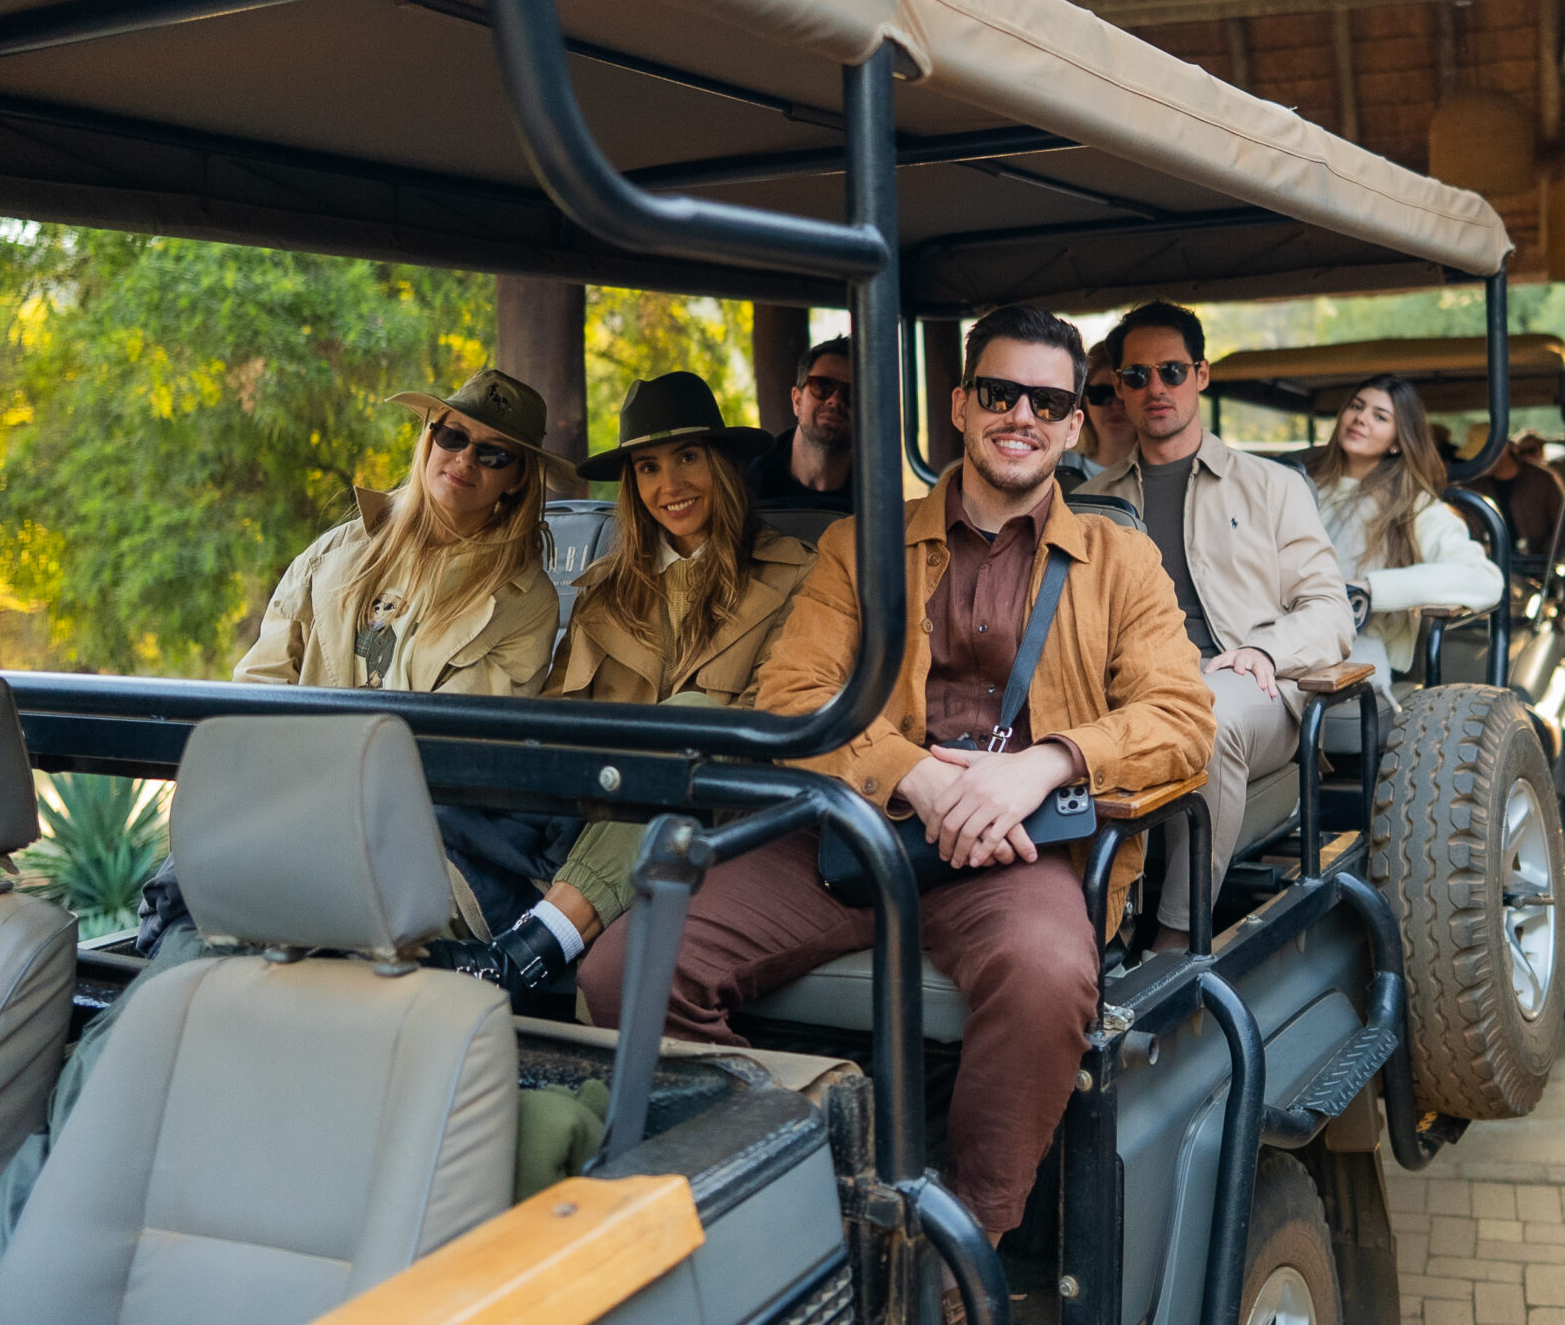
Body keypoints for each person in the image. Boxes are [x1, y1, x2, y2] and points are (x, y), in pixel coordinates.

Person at [662, 305, 1214, 1248]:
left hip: (1018, 850)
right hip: (854, 834)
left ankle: (961, 1251)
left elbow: (1182, 718)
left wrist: (1042, 766)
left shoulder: (1121, 560)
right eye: (1000, 393)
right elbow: (794, 693)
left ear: (1074, 425)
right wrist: (917, 778)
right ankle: (797, 1191)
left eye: (1049, 402)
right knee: (633, 967)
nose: (1022, 416)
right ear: (959, 407)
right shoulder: (862, 545)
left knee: (1048, 976)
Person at [442, 372, 819, 999]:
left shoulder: (796, 576)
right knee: (438, 773)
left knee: (691, 719)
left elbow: (775, 725)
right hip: (591, 818)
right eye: (647, 468)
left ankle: (531, 949)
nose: (669, 485)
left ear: (723, 465)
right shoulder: (604, 591)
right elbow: (556, 726)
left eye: (688, 457)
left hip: (724, 822)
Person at [1083, 301, 1353, 949]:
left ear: (1200, 375)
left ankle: (1178, 939)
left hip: (1249, 688)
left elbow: (1329, 609)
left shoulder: (1273, 486)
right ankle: (1084, 935)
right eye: (1137, 376)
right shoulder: (1093, 504)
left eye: (1172, 371)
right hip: (1135, 685)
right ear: (1119, 387)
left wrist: (1265, 650)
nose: (1156, 388)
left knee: (1208, 713)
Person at [235, 367, 566, 697]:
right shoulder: (330, 553)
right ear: (430, 440)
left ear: (517, 478)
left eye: (494, 454)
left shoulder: (527, 604)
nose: (466, 459)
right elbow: (259, 684)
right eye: (453, 437)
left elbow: (466, 724)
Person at [1302, 375, 1501, 708]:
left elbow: (1484, 579)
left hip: (1353, 651)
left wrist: (1372, 589)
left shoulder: (1413, 506)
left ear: (1398, 440)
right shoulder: (1299, 484)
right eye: (1356, 406)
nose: (1361, 419)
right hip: (1279, 637)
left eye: (1380, 417)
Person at [745, 335, 853, 511]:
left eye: (851, 394)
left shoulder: (883, 496)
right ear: (797, 401)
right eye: (822, 386)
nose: (835, 400)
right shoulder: (743, 485)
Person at [1470, 428, 1565, 567]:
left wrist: (1541, 558)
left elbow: (1563, 527)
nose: (1475, 463)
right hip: (1489, 565)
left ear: (1502, 450)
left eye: (1481, 456)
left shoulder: (1543, 480)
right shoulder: (1474, 486)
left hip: (1537, 567)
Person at [1067, 329, 1136, 479]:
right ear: (1082, 401)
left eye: (1125, 394)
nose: (1116, 405)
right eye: (1101, 394)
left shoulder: (1162, 468)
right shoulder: (1055, 467)